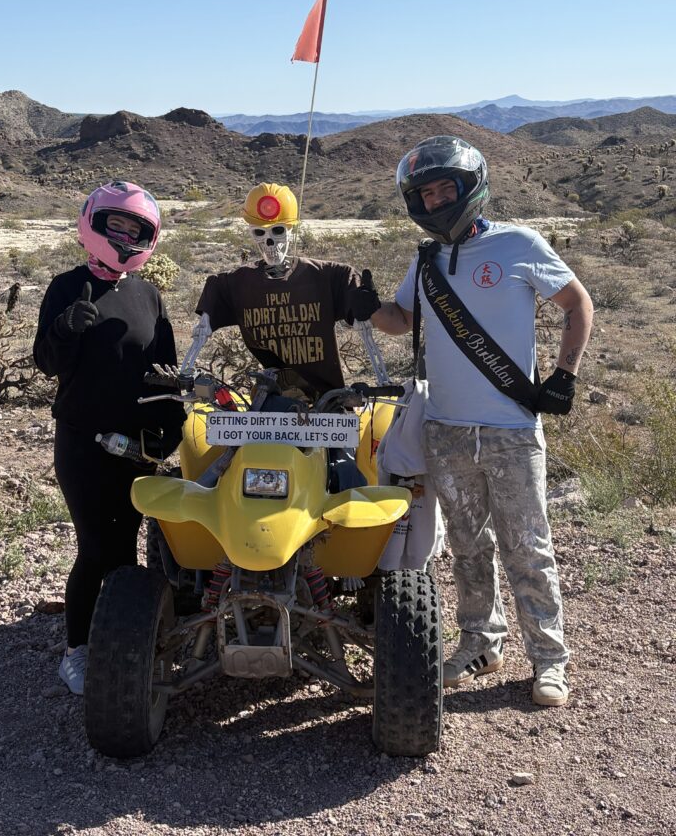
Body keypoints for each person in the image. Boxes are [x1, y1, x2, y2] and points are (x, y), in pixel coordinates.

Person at [364, 135, 593, 708]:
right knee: (467, 544)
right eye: (427, 192)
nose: (437, 200)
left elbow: (577, 304)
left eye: (447, 188)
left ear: (471, 189)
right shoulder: (426, 260)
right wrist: (353, 299)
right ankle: (480, 642)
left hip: (510, 429)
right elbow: (398, 320)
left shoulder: (518, 244)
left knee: (527, 544)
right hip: (445, 427)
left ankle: (549, 660)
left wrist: (563, 376)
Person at [33, 181, 185, 695]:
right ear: (93, 224)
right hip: (82, 441)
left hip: (137, 443)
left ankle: (126, 640)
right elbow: (46, 364)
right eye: (115, 224)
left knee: (130, 547)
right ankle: (77, 650)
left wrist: (173, 427)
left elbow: (165, 370)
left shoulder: (148, 294)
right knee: (96, 547)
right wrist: (64, 329)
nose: (123, 235)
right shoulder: (66, 285)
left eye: (134, 228)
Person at [185, 182, 370, 491]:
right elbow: (201, 330)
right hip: (268, 403)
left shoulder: (329, 276)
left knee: (346, 476)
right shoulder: (234, 284)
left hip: (327, 403)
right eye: (260, 233)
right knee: (228, 471)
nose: (270, 242)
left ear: (292, 230)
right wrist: (185, 371)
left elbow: (365, 324)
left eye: (278, 231)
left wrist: (377, 370)